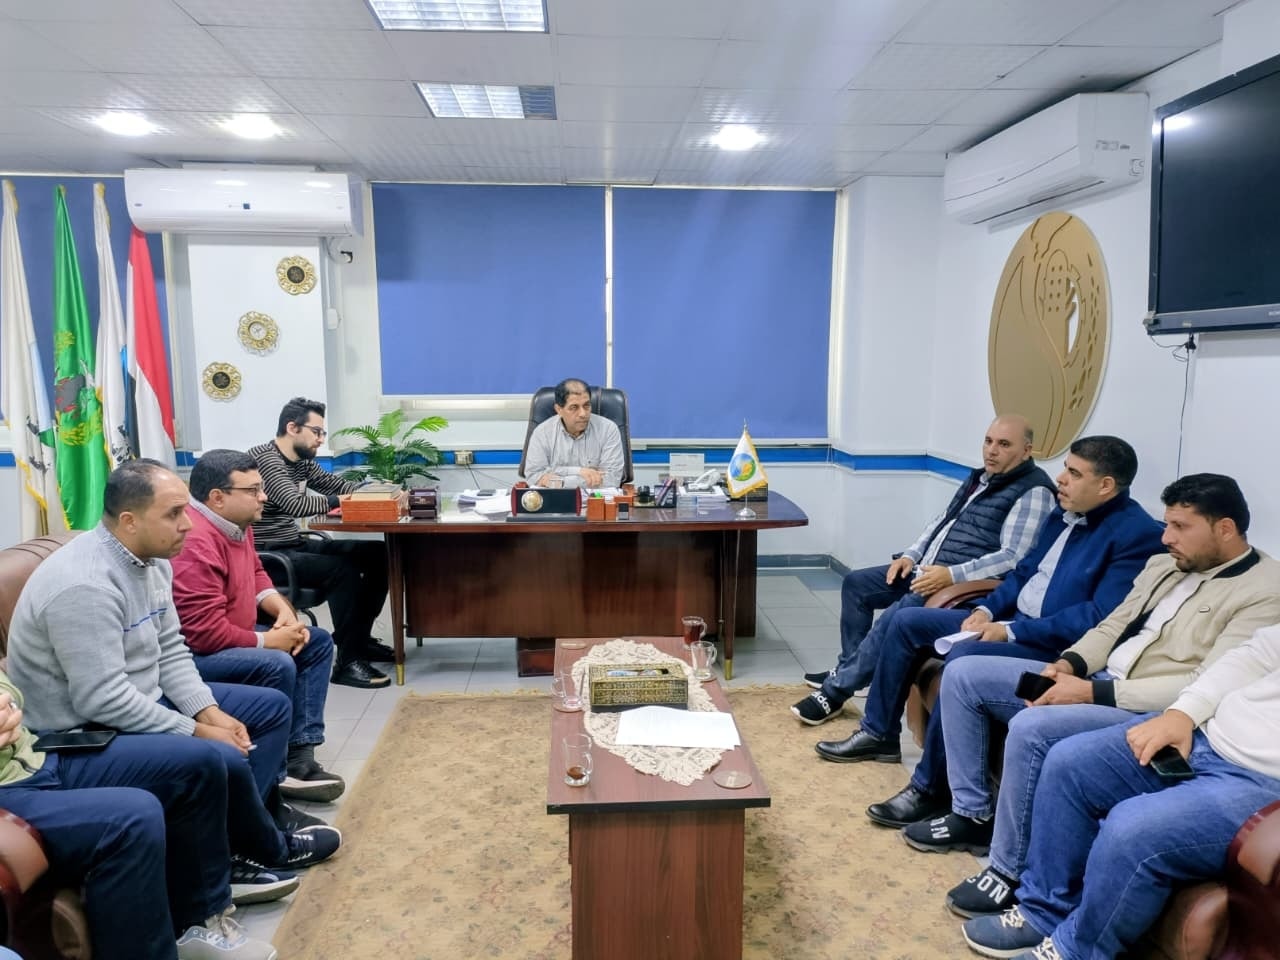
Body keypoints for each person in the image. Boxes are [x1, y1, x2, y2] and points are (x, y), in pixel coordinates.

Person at [922, 474, 1280, 920]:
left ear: (1225, 528)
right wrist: (1068, 665)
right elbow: (1112, 625)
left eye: (1180, 527)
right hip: (1096, 677)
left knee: (1032, 728)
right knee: (965, 674)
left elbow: (1204, 681)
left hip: (1139, 704)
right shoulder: (1167, 564)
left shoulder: (1265, 590)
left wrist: (1092, 691)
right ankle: (972, 813)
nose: (1166, 537)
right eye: (1167, 524)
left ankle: (1007, 870)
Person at [5, 460, 341, 879]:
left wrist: (207, 711)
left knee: (269, 708)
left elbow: (169, 649)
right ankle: (250, 851)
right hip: (83, 731)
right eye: (174, 513)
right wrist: (196, 730)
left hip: (141, 697)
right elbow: (102, 700)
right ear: (129, 521)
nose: (188, 524)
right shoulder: (85, 585)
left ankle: (246, 832)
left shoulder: (153, 558)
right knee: (217, 752)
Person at [814, 436, 1165, 830]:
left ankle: (930, 789)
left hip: (1050, 645)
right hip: (1011, 620)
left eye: (1074, 473)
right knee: (907, 621)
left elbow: (1097, 617)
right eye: (1065, 468)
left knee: (963, 659)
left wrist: (1010, 631)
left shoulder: (1135, 535)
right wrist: (985, 610)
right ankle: (878, 732)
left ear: (1106, 485)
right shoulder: (1065, 511)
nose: (1061, 479)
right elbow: (1022, 572)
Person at [959, 627, 1280, 960]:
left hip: (1262, 780)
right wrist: (1184, 713)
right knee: (1069, 763)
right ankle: (1042, 912)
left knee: (1132, 827)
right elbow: (1256, 653)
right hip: (1205, 732)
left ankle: (1077, 951)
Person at [792, 414, 1055, 724]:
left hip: (959, 586)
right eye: (988, 441)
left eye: (1004, 444)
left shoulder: (1033, 491)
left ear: (1026, 451)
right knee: (856, 584)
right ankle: (853, 670)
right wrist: (910, 556)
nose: (991, 450)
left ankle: (836, 691)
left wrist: (951, 575)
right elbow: (941, 522)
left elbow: (1013, 558)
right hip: (927, 570)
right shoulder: (981, 478)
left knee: (901, 612)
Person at [0, 672, 280, 960]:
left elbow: (9, 690)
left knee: (200, 762)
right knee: (132, 818)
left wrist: (7, 705)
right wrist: (195, 725)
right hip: (10, 783)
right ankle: (271, 847)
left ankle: (200, 921)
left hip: (37, 753)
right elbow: (101, 696)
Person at [172, 448, 346, 804]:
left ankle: (299, 758)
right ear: (217, 498)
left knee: (314, 642)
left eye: (261, 487)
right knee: (277, 662)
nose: (263, 497)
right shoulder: (195, 541)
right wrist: (267, 642)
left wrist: (281, 609)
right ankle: (273, 776)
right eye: (253, 490)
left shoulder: (237, 523)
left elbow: (255, 571)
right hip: (195, 655)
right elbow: (203, 636)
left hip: (230, 637)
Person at [250, 397, 392, 690]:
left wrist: (377, 491)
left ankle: (358, 640)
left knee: (380, 554)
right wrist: (344, 499)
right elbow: (296, 504)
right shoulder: (266, 459)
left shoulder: (301, 462)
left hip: (293, 545)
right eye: (316, 432)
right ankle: (348, 663)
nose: (320, 439)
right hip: (268, 556)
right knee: (342, 570)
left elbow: (337, 486)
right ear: (292, 428)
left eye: (322, 433)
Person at [522, 378, 625, 489]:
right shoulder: (542, 433)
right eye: (574, 407)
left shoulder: (608, 429)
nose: (583, 414)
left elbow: (611, 480)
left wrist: (556, 481)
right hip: (555, 498)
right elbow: (534, 476)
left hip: (596, 498)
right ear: (559, 409)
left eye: (586, 405)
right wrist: (580, 472)